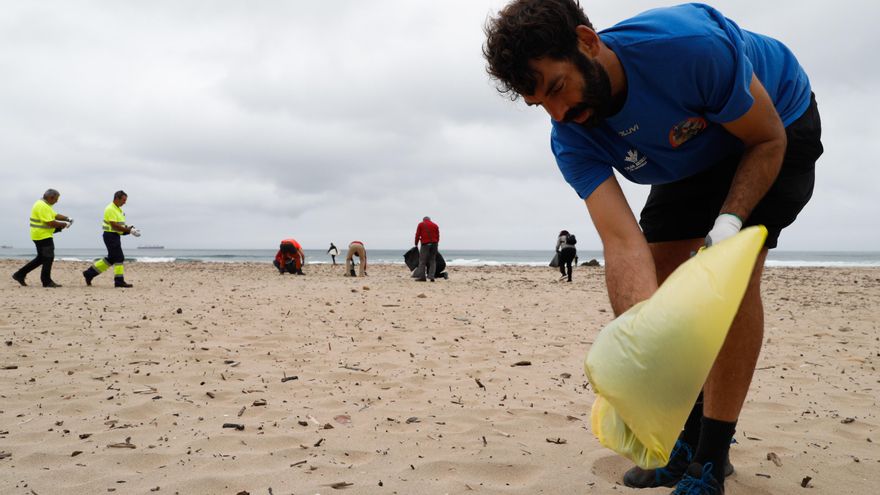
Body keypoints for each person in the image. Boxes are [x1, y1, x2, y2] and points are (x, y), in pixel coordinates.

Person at [484, 2, 822, 493]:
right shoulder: (571, 136)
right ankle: (680, 441)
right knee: (661, 284)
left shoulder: (686, 49)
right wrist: (643, 346)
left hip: (775, 125)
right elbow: (622, 242)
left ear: (587, 41)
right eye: (541, 105)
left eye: (557, 87)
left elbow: (767, 139)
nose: (560, 114)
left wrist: (727, 226)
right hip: (693, 157)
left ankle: (711, 458)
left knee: (734, 278)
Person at [12, 188, 72, 287]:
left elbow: (55, 215)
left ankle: (19, 274)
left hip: (39, 234)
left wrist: (67, 218)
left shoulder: (44, 205)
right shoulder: (42, 206)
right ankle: (46, 282)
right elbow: (50, 222)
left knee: (41, 258)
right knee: (48, 258)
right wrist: (64, 224)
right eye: (56, 199)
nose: (57, 201)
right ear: (51, 197)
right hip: (42, 236)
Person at [82, 190, 139, 288]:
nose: (125, 202)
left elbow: (119, 224)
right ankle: (119, 281)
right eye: (124, 200)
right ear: (117, 198)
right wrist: (129, 231)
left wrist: (129, 228)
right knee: (119, 257)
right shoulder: (110, 209)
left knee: (111, 259)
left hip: (114, 236)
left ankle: (89, 273)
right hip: (110, 236)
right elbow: (114, 225)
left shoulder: (118, 209)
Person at [413, 216, 440, 282]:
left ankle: (422, 277)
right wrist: (436, 243)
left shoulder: (421, 224)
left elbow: (417, 234)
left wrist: (416, 243)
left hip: (425, 244)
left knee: (422, 261)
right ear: (430, 220)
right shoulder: (435, 225)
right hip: (434, 244)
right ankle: (431, 276)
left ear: (423, 220)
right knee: (433, 260)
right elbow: (438, 236)